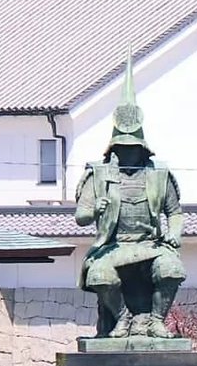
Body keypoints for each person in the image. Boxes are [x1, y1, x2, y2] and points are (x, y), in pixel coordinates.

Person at [74, 56, 186, 338]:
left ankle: (155, 321)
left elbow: (175, 212)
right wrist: (95, 209)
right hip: (112, 246)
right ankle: (122, 318)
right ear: (113, 148)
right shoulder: (98, 175)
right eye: (122, 148)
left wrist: (174, 234)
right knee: (99, 274)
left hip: (150, 244)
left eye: (132, 148)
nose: (127, 153)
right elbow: (81, 217)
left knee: (171, 268)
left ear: (142, 148)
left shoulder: (158, 175)